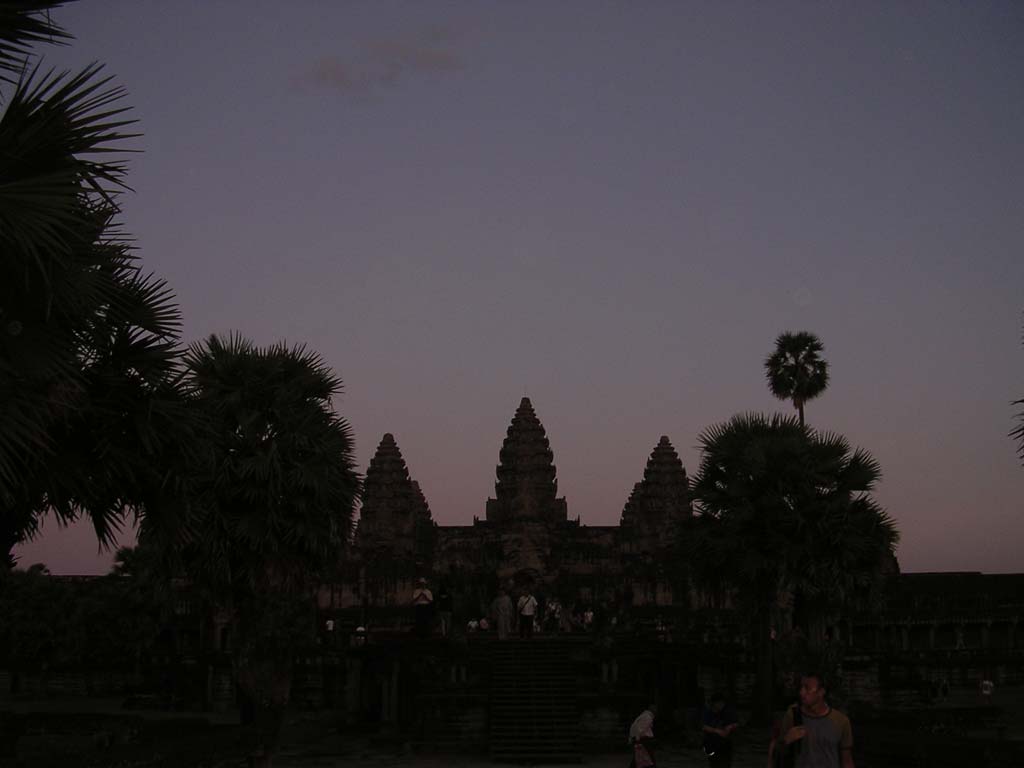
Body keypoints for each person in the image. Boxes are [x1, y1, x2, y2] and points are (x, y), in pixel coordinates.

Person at [769, 672, 853, 768]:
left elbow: (847, 760)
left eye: (807, 688)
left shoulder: (841, 721)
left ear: (821, 692)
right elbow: (776, 753)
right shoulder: (793, 715)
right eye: (801, 688)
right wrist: (786, 740)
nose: (802, 692)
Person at [702, 692, 738, 767]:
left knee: (724, 763)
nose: (717, 705)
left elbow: (734, 725)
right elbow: (704, 726)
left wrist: (731, 727)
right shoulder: (710, 711)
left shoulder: (728, 711)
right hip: (711, 743)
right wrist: (717, 731)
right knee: (713, 763)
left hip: (725, 745)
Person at [628, 703, 658, 768]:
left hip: (641, 739)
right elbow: (641, 729)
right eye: (655, 708)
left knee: (640, 757)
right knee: (649, 757)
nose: (656, 710)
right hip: (644, 739)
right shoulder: (647, 717)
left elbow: (636, 727)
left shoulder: (644, 716)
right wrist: (637, 739)